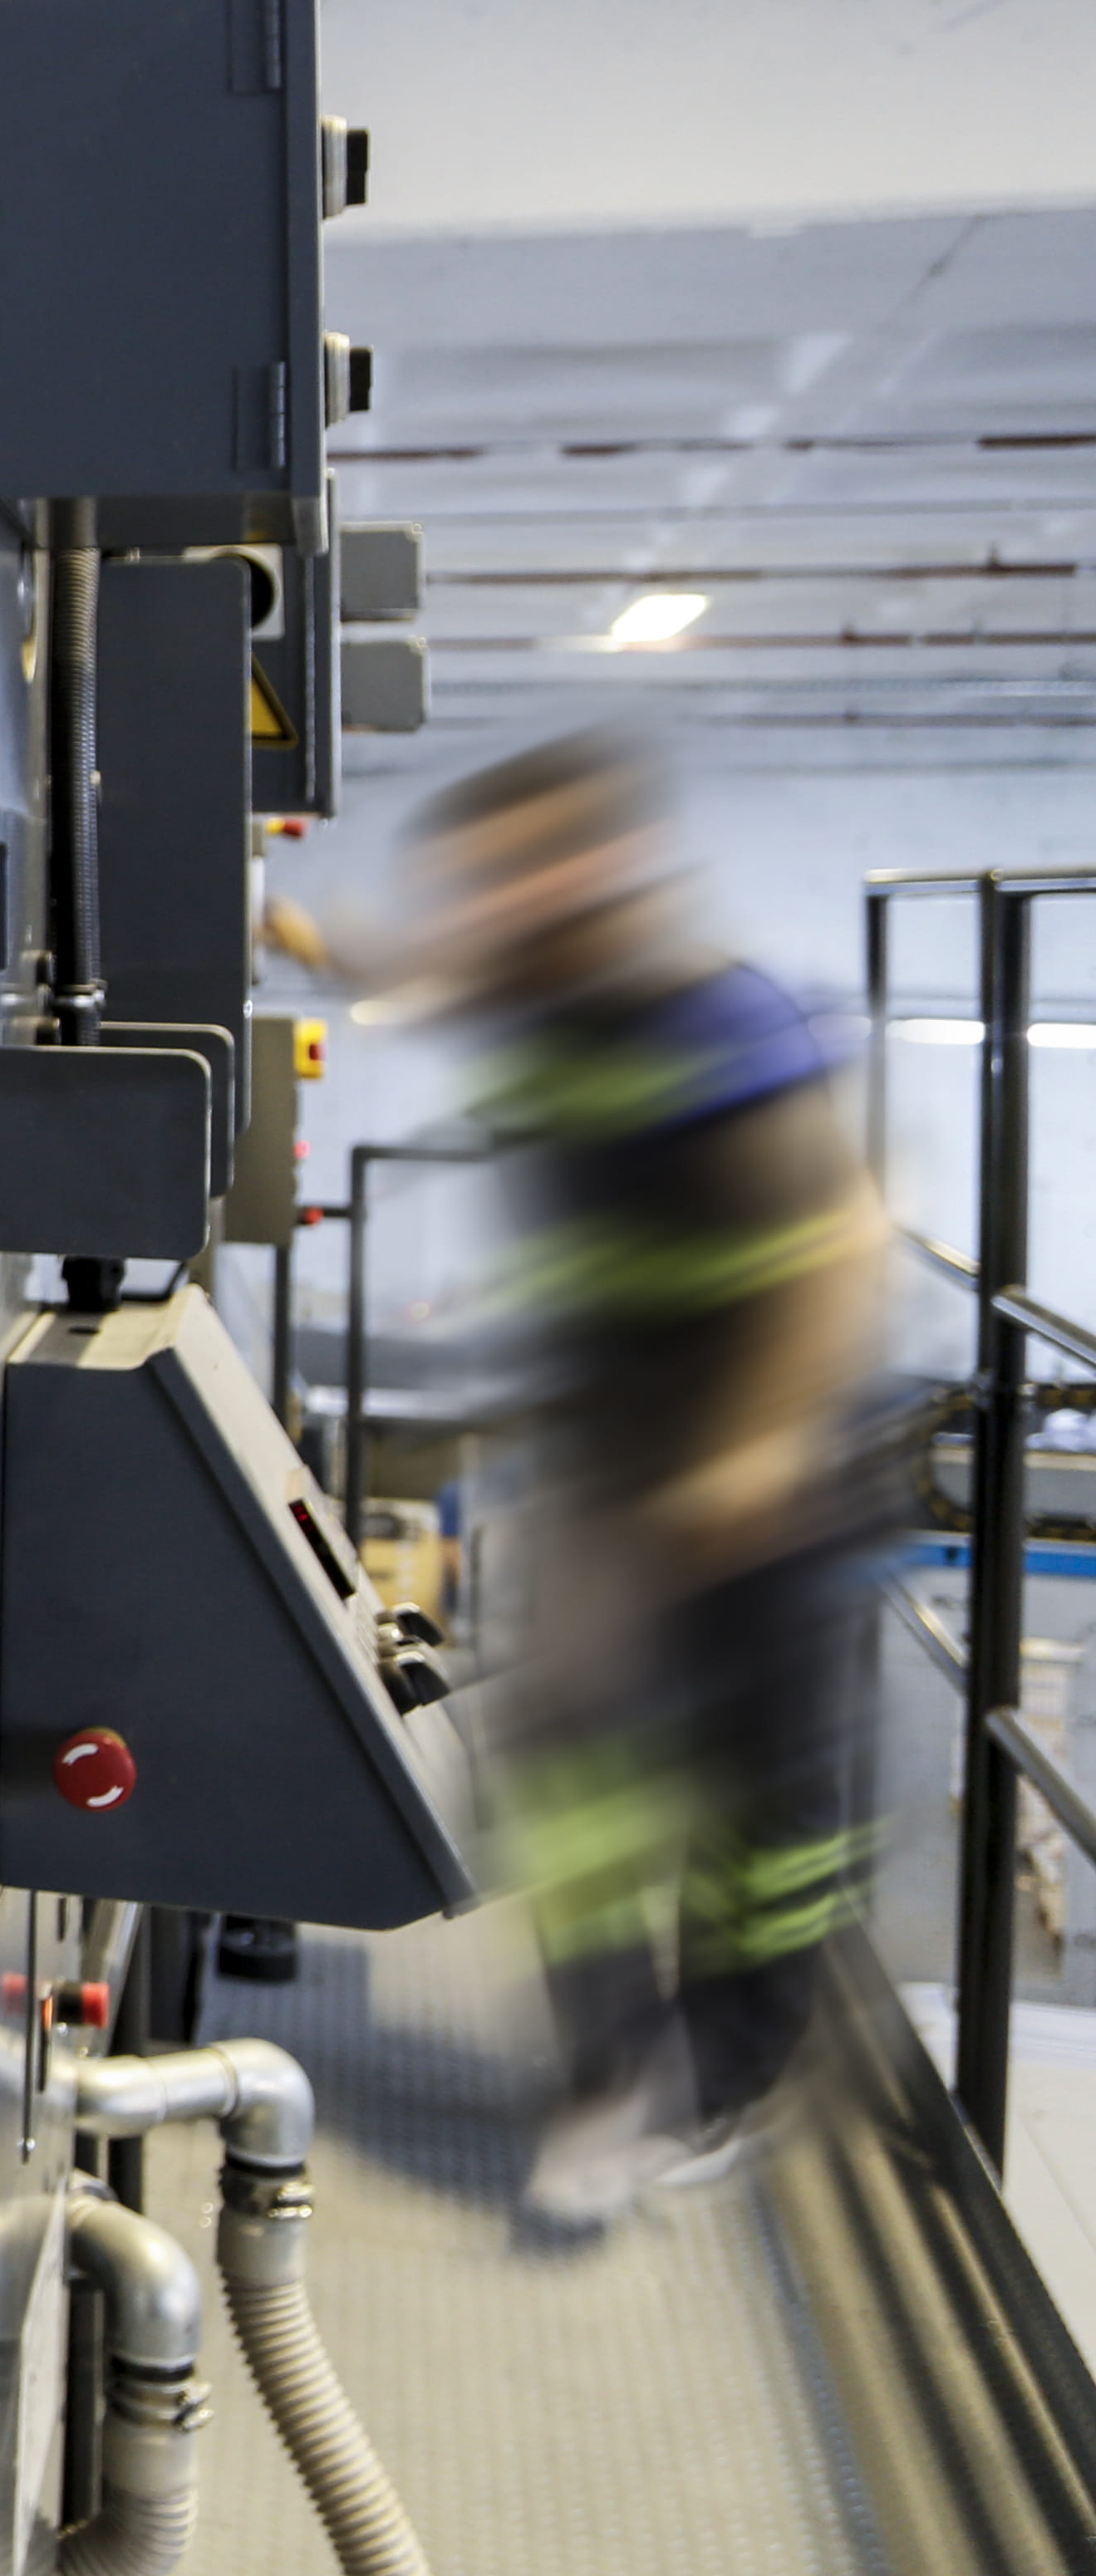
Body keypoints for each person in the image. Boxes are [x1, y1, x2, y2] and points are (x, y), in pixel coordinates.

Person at [397, 731, 887, 2230]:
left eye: (529, 865)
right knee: (573, 1791)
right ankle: (617, 2068)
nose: (504, 900)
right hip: (618, 1479)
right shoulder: (554, 1010)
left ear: (606, 860)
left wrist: (749, 1451)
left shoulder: (714, 1017)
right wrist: (286, 933)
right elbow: (423, 973)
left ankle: (722, 2086)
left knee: (768, 1825)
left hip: (768, 1487)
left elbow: (839, 1249)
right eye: (487, 879)